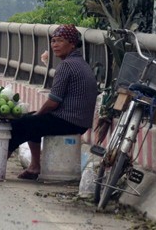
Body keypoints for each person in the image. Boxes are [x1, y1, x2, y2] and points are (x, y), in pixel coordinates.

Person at [8, 24, 98, 180]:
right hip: (81, 121)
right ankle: (34, 167)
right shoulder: (81, 63)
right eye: (53, 41)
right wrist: (35, 116)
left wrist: (37, 114)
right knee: (31, 121)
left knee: (20, 124)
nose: (55, 45)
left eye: (60, 41)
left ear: (72, 44)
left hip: (69, 120)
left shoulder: (66, 65)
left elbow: (53, 102)